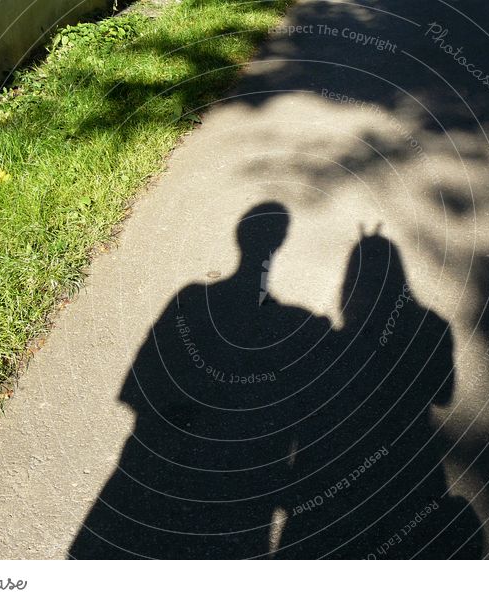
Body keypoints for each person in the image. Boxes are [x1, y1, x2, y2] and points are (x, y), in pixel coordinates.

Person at [68, 202, 332, 559]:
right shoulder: (306, 324)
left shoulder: (189, 298)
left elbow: (136, 394)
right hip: (248, 491)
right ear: (281, 242)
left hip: (140, 475)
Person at [280, 229, 483, 558]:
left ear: (350, 283)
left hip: (333, 498)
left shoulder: (328, 345)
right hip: (412, 480)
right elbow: (443, 395)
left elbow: (301, 417)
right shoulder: (431, 327)